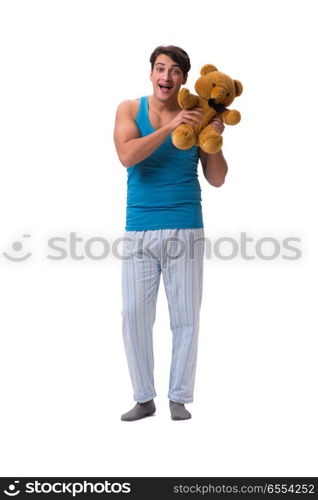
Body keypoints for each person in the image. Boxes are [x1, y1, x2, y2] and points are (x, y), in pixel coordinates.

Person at [113, 45, 228, 421]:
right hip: (138, 228)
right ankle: (144, 397)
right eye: (160, 69)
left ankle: (179, 396)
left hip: (185, 225)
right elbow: (127, 155)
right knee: (133, 314)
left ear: (184, 78)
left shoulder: (198, 114)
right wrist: (168, 127)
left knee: (185, 317)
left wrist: (213, 138)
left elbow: (216, 179)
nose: (166, 77)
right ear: (150, 74)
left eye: (175, 71)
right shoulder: (129, 109)